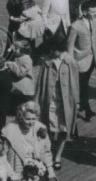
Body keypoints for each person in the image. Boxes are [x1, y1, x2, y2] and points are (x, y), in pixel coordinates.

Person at [30, 33, 80, 169]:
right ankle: (49, 153)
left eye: (55, 49)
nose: (53, 52)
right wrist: (36, 101)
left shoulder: (70, 62)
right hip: (50, 100)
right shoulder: (46, 61)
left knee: (64, 129)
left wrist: (77, 102)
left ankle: (58, 155)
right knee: (48, 127)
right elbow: (40, 84)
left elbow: (75, 84)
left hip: (65, 102)